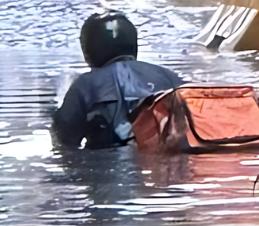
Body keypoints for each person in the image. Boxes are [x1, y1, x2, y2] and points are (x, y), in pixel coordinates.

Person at [52, 11, 183, 149]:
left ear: (88, 51)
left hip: (107, 164)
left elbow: (62, 142)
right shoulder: (169, 77)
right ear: (133, 45)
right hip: (166, 161)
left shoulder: (85, 86)